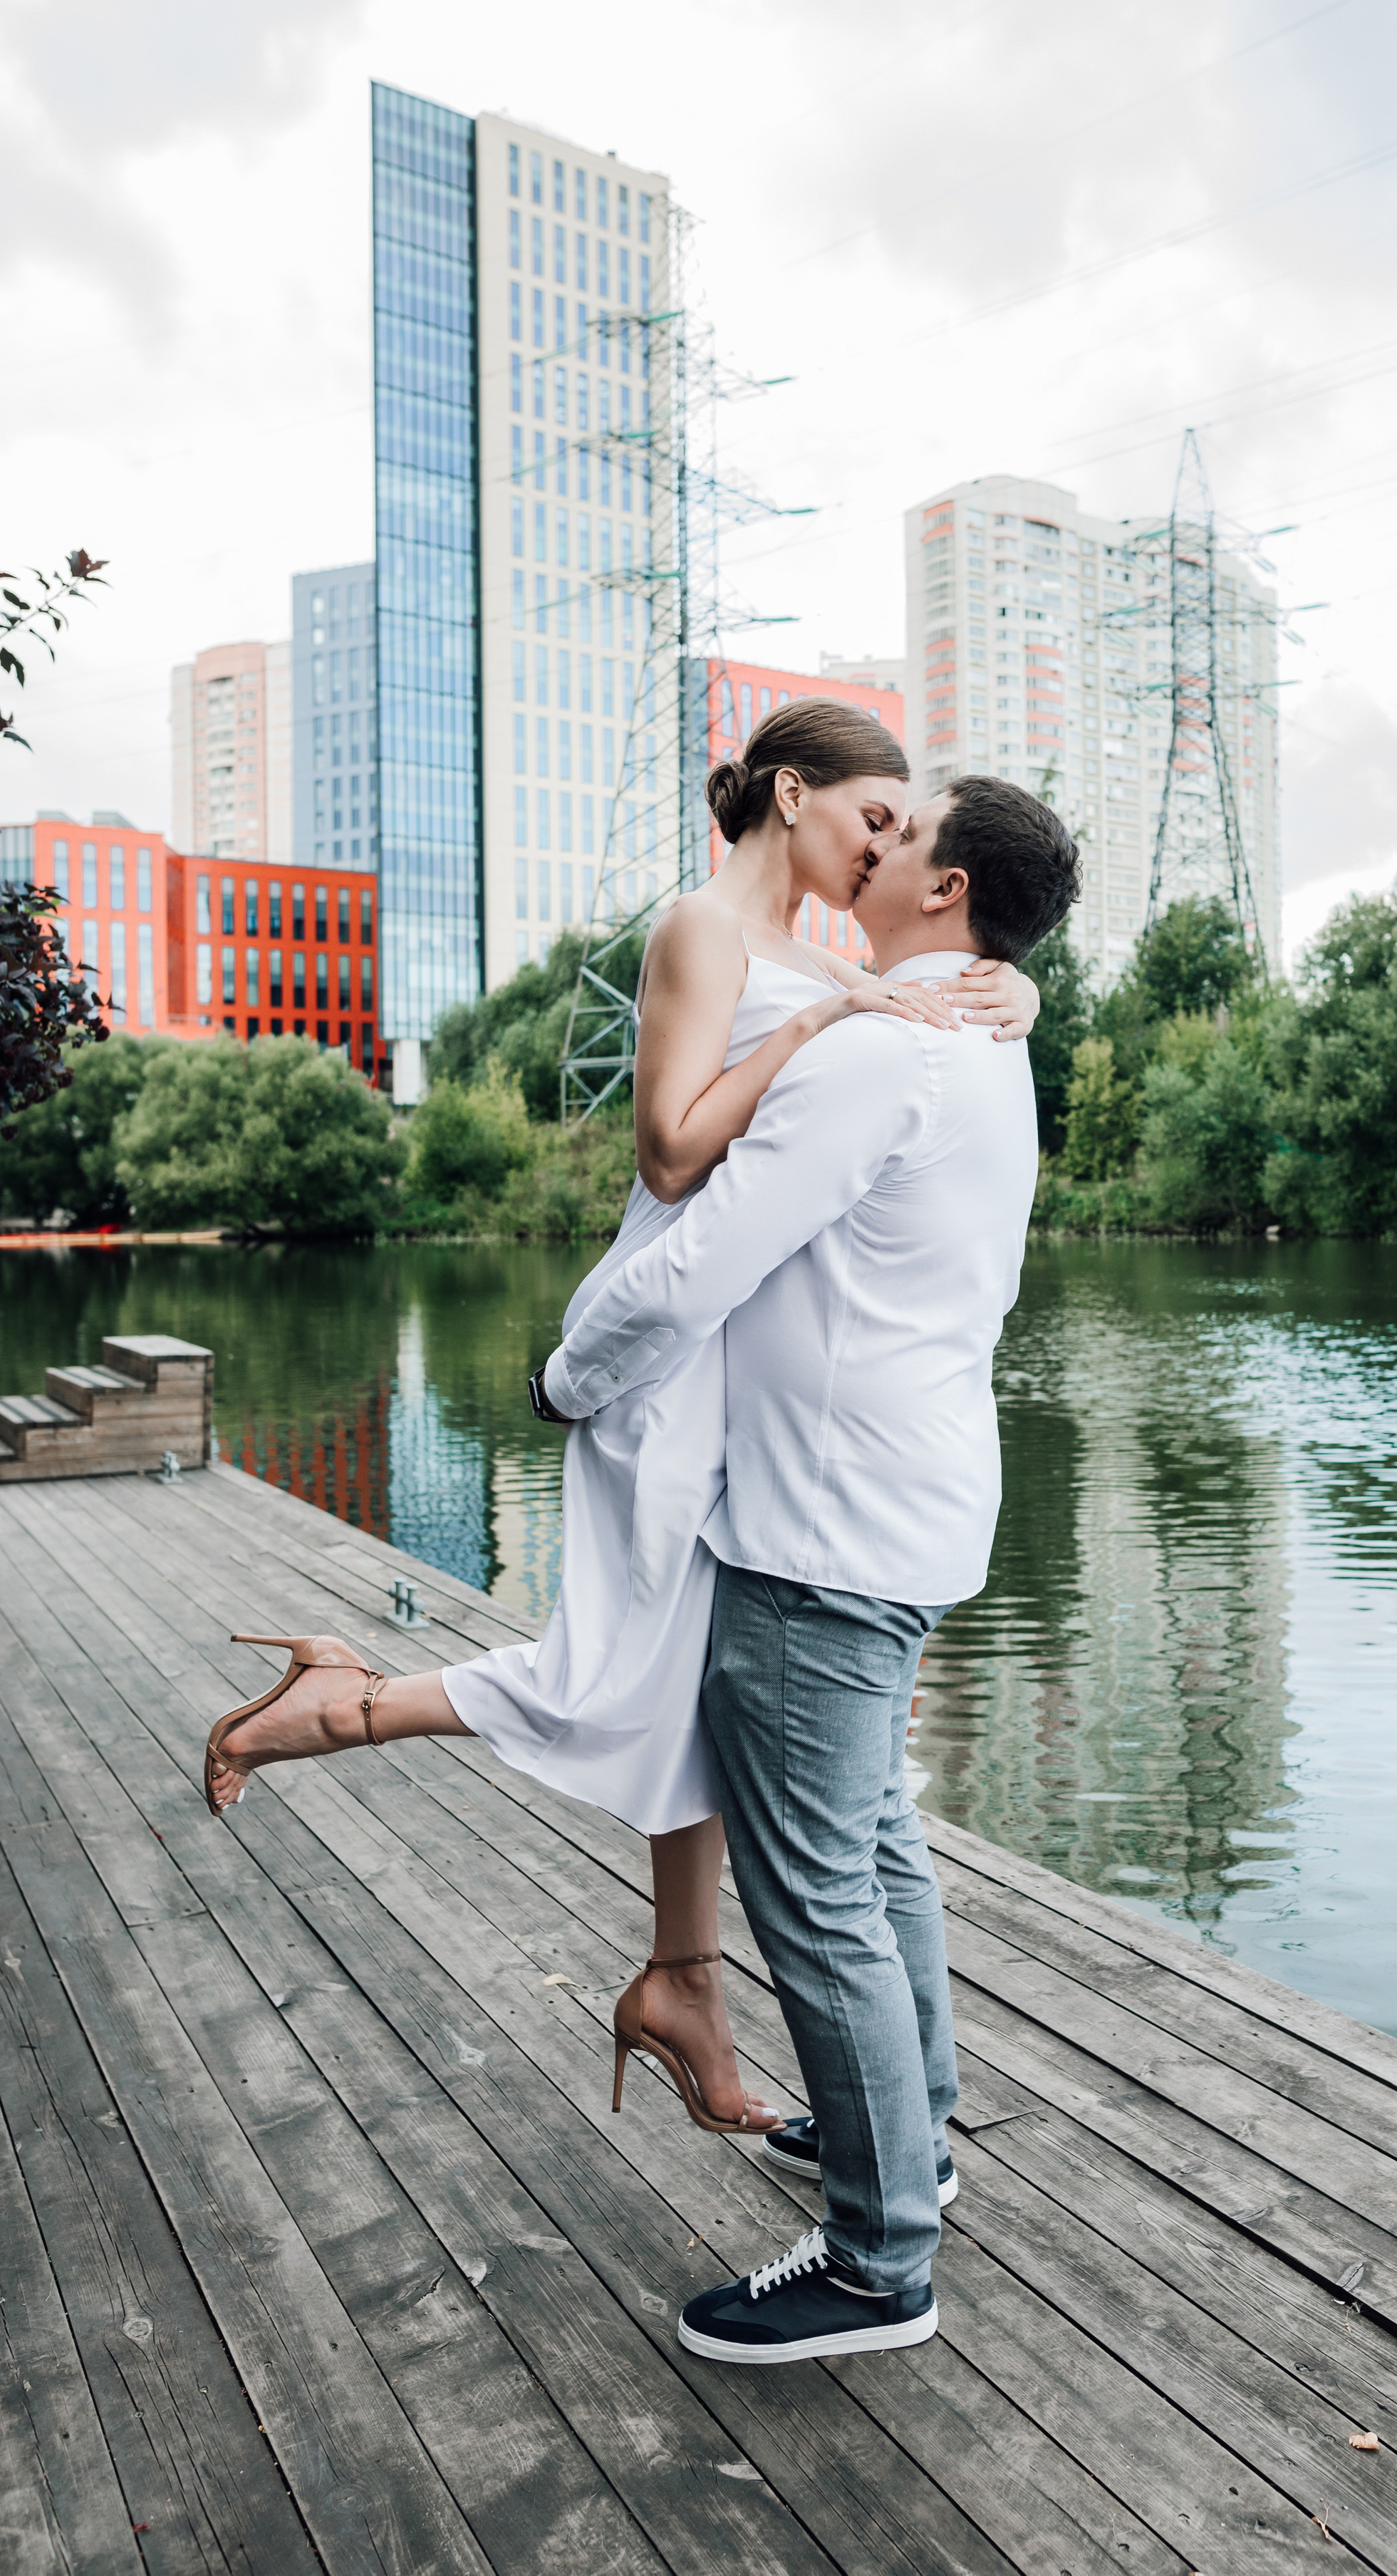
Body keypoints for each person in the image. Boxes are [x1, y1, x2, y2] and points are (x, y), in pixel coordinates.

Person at [202, 701, 1041, 2138]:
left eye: (903, 830)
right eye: (870, 817)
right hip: (665, 1343)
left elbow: (934, 1013)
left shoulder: (830, 957)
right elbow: (667, 1151)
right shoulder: (701, 931)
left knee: (691, 1685)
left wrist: (1003, 990)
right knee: (621, 1673)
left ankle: (680, 1982)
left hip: (741, 1362)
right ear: (792, 794)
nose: (884, 843)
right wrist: (837, 1019)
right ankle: (333, 1709)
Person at [534, 772, 1080, 2365]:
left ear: (949, 888)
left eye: (905, 836)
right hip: (906, 1506)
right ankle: (913, 2135)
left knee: (816, 1885)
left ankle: (874, 2257)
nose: (875, 844)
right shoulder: (980, 1036)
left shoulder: (891, 1049)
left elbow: (705, 1249)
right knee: (871, 1844)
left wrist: (568, 1377)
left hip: (824, 1525)